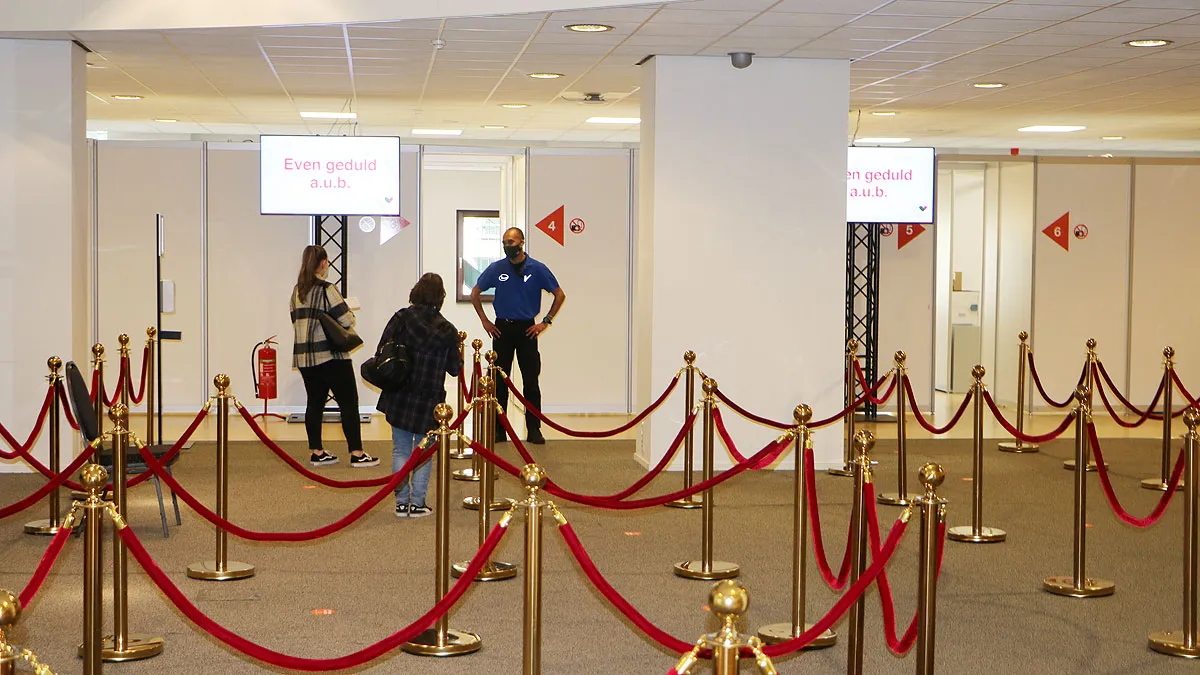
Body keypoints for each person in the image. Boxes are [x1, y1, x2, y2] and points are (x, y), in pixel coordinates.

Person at [376, 273, 462, 518]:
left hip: (400, 395)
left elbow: (382, 351)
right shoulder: (447, 330)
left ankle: (401, 503)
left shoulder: (401, 318)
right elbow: (455, 369)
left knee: (400, 450)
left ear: (416, 292)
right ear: (440, 297)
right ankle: (418, 503)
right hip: (430, 398)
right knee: (424, 453)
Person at [470, 227, 566, 444]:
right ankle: (498, 430)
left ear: (522, 242)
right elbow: (475, 292)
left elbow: (559, 294)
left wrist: (545, 322)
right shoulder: (497, 268)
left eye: (511, 241)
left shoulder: (537, 268)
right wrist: (485, 321)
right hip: (502, 329)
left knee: (530, 381)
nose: (507, 246)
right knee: (499, 382)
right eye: (504, 242)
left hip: (527, 330)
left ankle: (534, 429)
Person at [289, 245, 378, 468]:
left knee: (315, 403)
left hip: (304, 357)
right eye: (326, 261)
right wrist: (347, 307)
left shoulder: (296, 291)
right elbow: (347, 321)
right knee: (348, 403)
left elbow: (295, 320)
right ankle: (357, 453)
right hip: (331, 356)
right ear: (321, 263)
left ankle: (317, 452)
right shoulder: (327, 289)